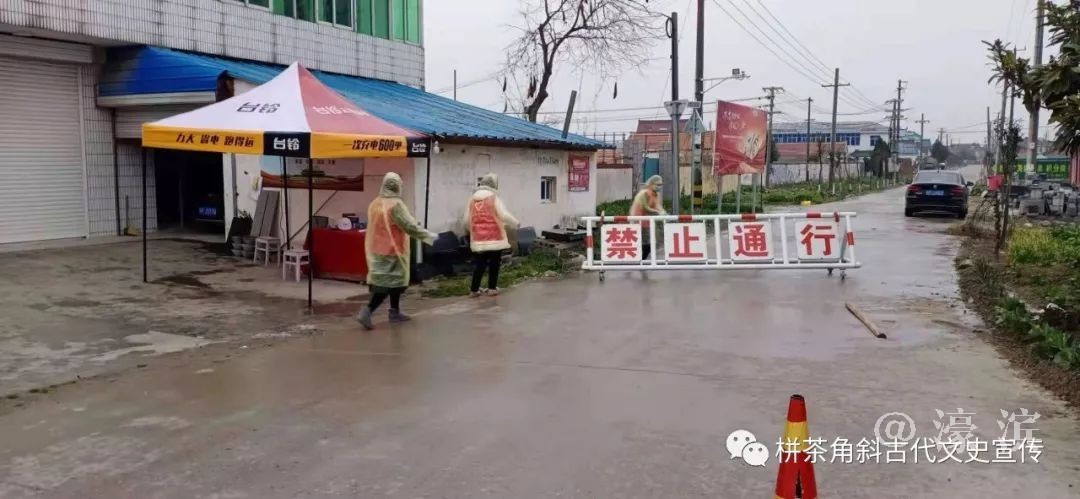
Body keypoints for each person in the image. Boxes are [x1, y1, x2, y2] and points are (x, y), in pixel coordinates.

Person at [357, 172, 437, 330]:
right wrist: (430, 237)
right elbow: (409, 226)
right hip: (393, 251)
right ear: (398, 186)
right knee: (386, 285)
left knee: (392, 283)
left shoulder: (375, 203)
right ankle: (367, 311)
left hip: (376, 249)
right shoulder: (396, 205)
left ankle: (394, 311)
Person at [465, 173, 519, 297]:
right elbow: (504, 215)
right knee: (494, 264)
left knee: (480, 264)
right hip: (495, 238)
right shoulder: (494, 198)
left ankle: (474, 290)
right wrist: (515, 223)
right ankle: (492, 288)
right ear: (494, 184)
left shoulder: (472, 199)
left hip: (479, 240)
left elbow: (466, 221)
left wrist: (474, 231)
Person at [631, 174, 666, 260]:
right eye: (657, 185)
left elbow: (657, 206)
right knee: (646, 244)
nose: (659, 187)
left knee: (649, 244)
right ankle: (640, 261)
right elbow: (645, 207)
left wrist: (663, 212)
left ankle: (641, 261)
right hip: (639, 222)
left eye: (660, 185)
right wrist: (657, 212)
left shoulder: (655, 195)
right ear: (651, 184)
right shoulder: (644, 194)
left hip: (647, 223)